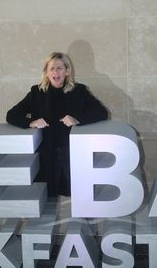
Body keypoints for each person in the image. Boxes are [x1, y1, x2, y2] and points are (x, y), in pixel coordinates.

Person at [6, 52, 109, 197]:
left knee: (81, 197)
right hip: (47, 155)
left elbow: (102, 112)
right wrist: (31, 122)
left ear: (67, 71)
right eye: (52, 68)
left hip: (73, 153)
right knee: (48, 198)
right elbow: (11, 115)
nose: (56, 72)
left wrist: (77, 119)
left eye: (60, 68)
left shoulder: (79, 91)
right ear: (46, 73)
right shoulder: (36, 92)